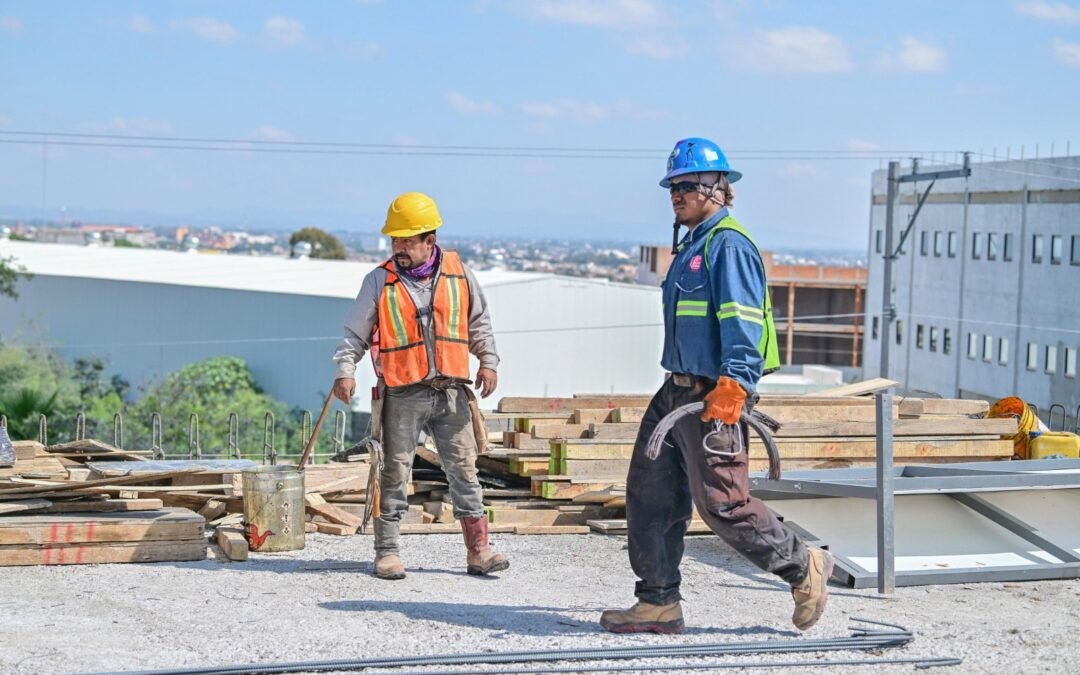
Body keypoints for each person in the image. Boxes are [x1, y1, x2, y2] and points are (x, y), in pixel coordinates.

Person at [599, 138, 834, 634]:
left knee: (724, 502)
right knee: (651, 494)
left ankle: (802, 564)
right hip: (676, 394)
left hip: (713, 394)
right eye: (672, 187)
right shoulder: (695, 245)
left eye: (686, 185)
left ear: (717, 188)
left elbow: (744, 322)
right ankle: (658, 601)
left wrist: (735, 386)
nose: (676, 194)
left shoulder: (729, 245)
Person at [332, 191, 508, 580]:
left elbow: (479, 323)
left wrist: (489, 362)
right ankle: (388, 552)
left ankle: (479, 551)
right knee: (394, 471)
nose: (400, 248)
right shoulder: (379, 281)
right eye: (395, 240)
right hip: (403, 393)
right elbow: (354, 334)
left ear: (431, 240)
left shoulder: (459, 275)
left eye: (408, 240)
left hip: (450, 392)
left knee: (464, 470)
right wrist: (345, 370)